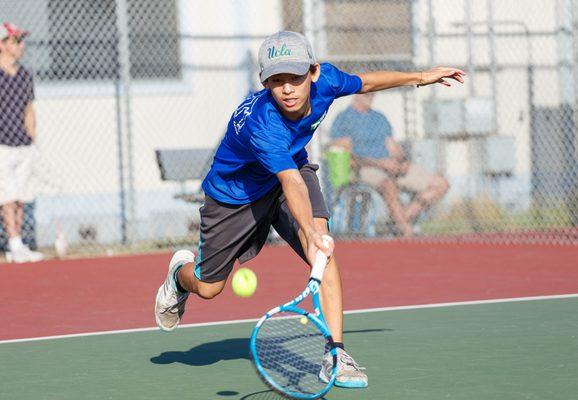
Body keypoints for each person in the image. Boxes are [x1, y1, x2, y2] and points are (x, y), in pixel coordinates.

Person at [154, 31, 464, 388]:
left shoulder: (328, 81)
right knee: (208, 288)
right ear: (265, 82)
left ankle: (335, 354)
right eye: (276, 80)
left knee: (324, 254)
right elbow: (291, 184)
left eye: (295, 78)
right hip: (235, 196)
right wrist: (310, 229)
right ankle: (179, 274)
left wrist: (421, 76)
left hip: (291, 170)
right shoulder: (262, 122)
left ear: (314, 72)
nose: (287, 88)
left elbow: (366, 82)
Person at [330, 92, 449, 237]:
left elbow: (393, 148)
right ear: (356, 94)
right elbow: (348, 155)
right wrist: (380, 164)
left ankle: (399, 220)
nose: (371, 96)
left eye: (373, 93)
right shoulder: (344, 119)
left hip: (391, 166)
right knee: (388, 184)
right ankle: (407, 232)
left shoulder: (379, 118)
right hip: (365, 168)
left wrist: (402, 162)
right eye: (367, 93)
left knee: (440, 183)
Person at [0, 22, 43, 263]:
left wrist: (32, 138)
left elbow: (29, 109)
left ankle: (20, 245)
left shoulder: (25, 75)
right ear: (2, 45)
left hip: (23, 143)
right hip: (2, 145)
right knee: (7, 196)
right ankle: (14, 243)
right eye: (15, 41)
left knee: (21, 196)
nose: (21, 45)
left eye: (21, 40)